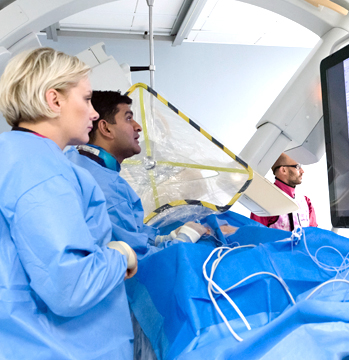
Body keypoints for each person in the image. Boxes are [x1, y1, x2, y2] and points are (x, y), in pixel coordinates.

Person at [0, 48, 137, 359]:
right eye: (87, 99)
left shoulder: (17, 155)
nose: (93, 112)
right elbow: (70, 287)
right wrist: (120, 255)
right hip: (61, 348)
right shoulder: (39, 169)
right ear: (54, 100)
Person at [65, 90, 208, 261]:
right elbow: (140, 262)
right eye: (128, 118)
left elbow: (130, 232)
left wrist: (161, 239)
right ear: (105, 128)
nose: (138, 126)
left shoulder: (74, 160)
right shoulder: (106, 190)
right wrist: (186, 238)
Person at [250, 152, 317, 230]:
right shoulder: (264, 201)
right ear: (283, 170)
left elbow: (314, 235)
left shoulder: (306, 202)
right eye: (298, 167)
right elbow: (256, 234)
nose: (302, 171)